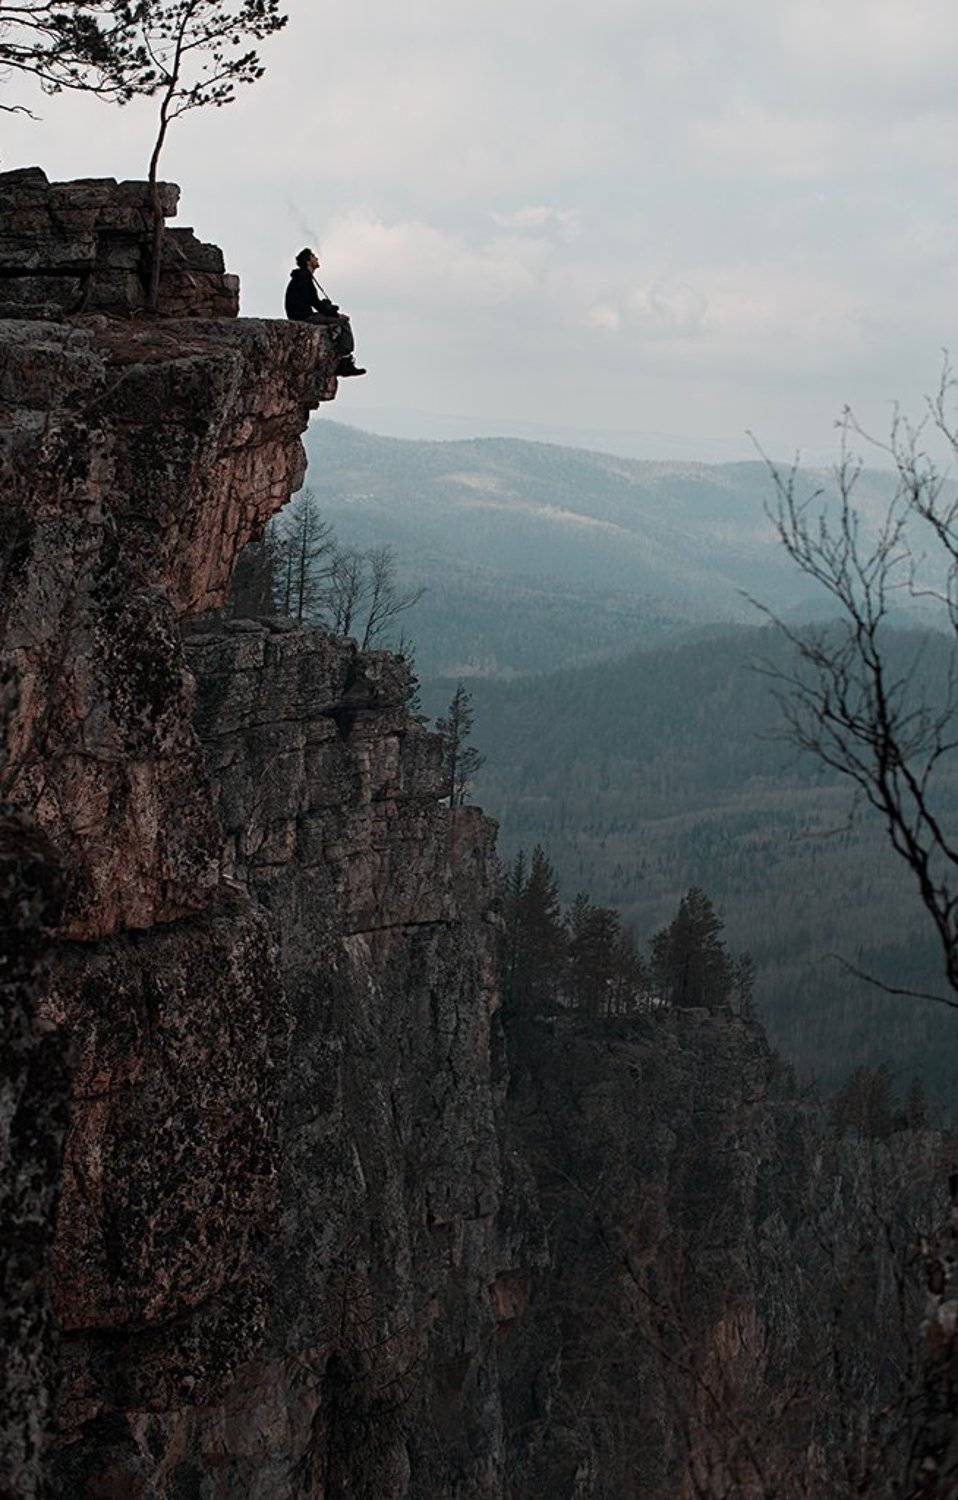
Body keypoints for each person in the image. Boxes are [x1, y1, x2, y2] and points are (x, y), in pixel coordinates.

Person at [285, 248, 366, 377]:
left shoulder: (302, 277)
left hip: (300, 314)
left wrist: (328, 310)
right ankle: (345, 362)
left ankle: (342, 359)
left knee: (336, 322)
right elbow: (315, 302)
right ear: (308, 261)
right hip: (303, 316)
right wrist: (335, 314)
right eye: (313, 256)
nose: (317, 258)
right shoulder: (304, 278)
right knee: (343, 323)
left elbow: (312, 301)